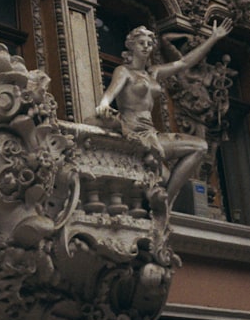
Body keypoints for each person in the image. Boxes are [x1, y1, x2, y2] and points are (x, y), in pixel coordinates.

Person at [97, 18, 233, 207]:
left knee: (200, 147)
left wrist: (213, 38)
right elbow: (110, 92)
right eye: (141, 43)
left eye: (149, 44)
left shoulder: (153, 72)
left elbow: (184, 63)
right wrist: (104, 104)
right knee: (184, 159)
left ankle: (165, 201)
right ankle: (163, 202)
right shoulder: (124, 71)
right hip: (134, 131)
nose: (145, 47)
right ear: (131, 46)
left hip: (152, 133)